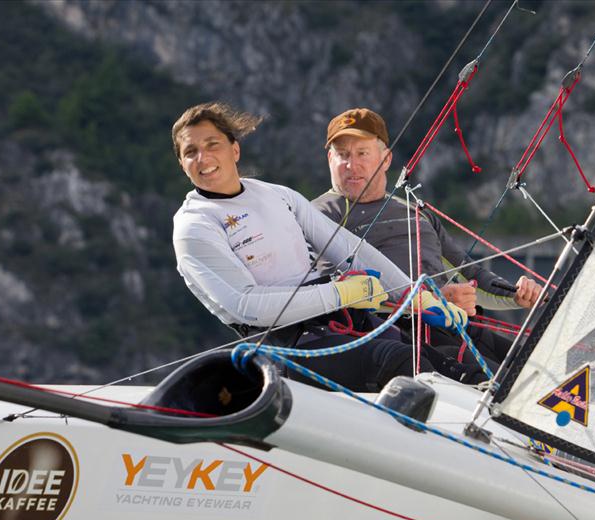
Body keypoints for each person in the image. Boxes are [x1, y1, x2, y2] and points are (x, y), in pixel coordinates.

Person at [171, 102, 479, 392]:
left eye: (212, 145)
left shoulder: (278, 195)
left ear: (234, 149)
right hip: (286, 346)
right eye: (190, 152)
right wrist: (340, 294)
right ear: (182, 165)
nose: (203, 158)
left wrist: (416, 296)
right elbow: (246, 305)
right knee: (401, 362)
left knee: (454, 368)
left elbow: (349, 249)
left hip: (335, 322)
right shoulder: (194, 227)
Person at [312, 108, 543, 370]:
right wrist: (430, 301)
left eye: (362, 153)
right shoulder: (318, 216)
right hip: (396, 335)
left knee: (540, 372)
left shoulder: (415, 210)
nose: (352, 165)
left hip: (454, 324)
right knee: (497, 385)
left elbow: (470, 273)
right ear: (330, 159)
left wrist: (518, 295)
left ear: (386, 159)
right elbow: (330, 294)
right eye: (343, 155)